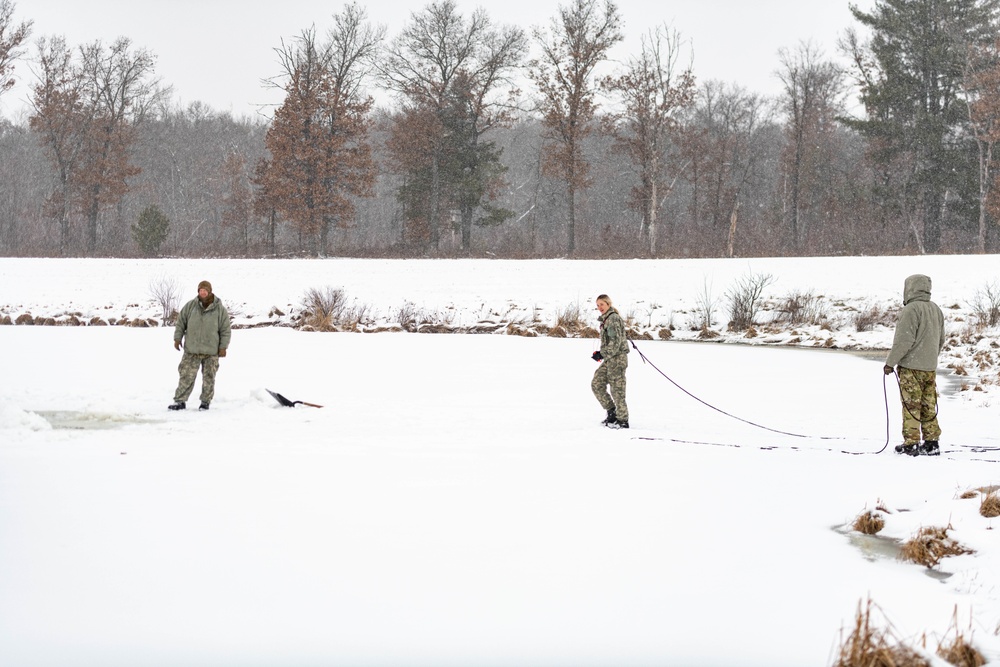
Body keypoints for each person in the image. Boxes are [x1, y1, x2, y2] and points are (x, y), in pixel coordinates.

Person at [883, 274, 945, 456]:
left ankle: (911, 443)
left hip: (911, 367)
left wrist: (890, 363)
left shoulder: (911, 310)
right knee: (928, 404)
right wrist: (931, 357)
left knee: (911, 405)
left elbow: (904, 340)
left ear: (909, 289)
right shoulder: (936, 309)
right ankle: (932, 443)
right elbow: (941, 339)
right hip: (930, 367)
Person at [169, 280, 231, 411]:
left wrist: (223, 347)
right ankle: (180, 401)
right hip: (192, 350)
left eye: (205, 290)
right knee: (185, 376)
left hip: (211, 351)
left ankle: (205, 402)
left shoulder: (220, 309)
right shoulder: (190, 306)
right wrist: (177, 338)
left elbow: (225, 330)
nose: (202, 292)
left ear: (209, 291)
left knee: (209, 378)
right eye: (200, 290)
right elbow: (181, 323)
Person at [591, 294, 630, 429]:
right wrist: (601, 354)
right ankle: (612, 412)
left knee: (617, 390)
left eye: (602, 304)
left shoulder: (613, 319)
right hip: (609, 359)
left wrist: (602, 353)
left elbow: (616, 342)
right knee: (597, 383)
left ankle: (622, 420)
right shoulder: (606, 319)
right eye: (597, 305)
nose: (599, 307)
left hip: (617, 359)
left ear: (608, 304)